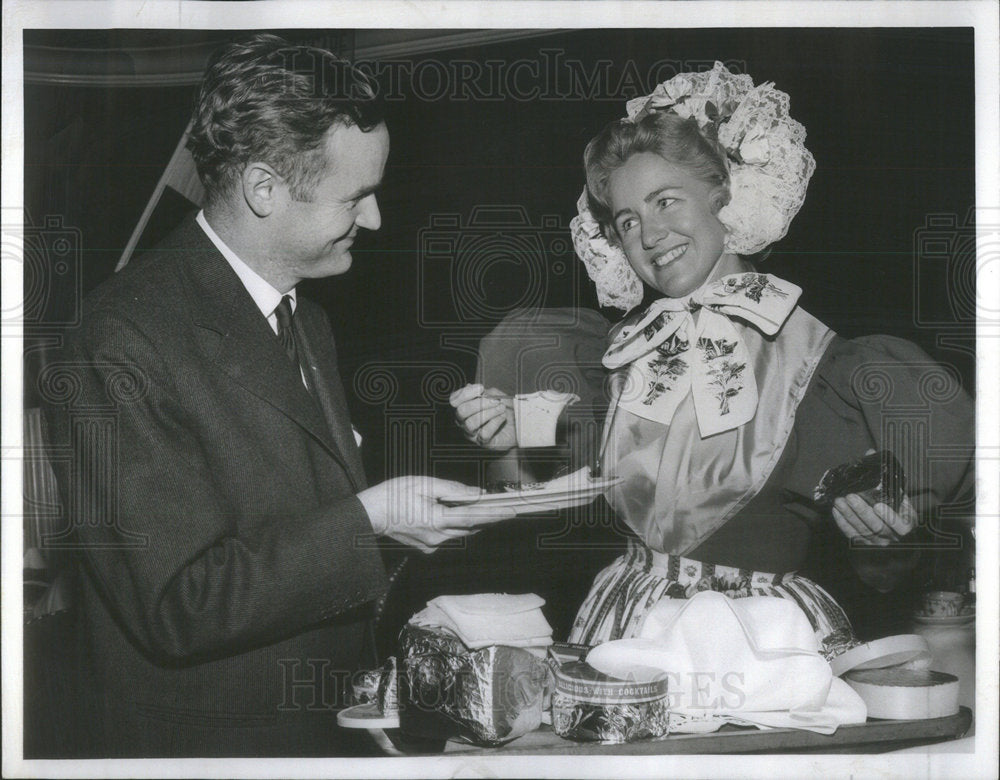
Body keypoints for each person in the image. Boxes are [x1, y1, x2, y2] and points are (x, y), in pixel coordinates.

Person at [40, 34, 516, 758]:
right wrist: (368, 519)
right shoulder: (119, 340)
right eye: (356, 197)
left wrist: (388, 524)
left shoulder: (306, 317)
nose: (378, 219)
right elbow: (179, 605)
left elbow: (289, 527)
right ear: (264, 189)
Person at [452, 63, 974, 660]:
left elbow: (888, 568)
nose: (650, 235)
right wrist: (504, 439)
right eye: (628, 221)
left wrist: (884, 537)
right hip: (626, 627)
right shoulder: (614, 356)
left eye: (666, 201)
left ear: (725, 197)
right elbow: (521, 502)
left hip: (755, 641)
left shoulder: (822, 364)